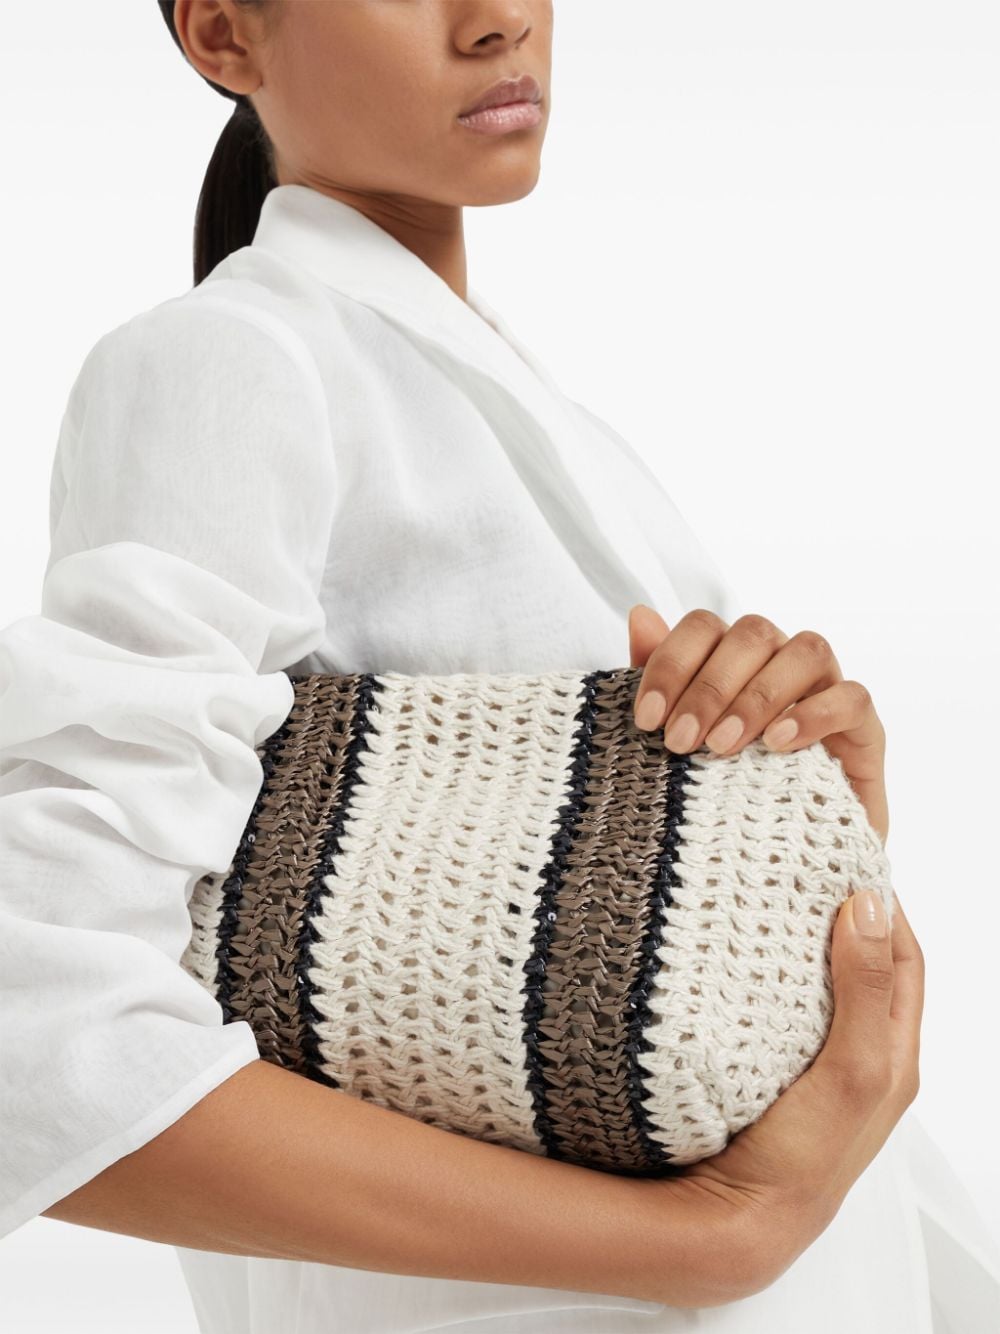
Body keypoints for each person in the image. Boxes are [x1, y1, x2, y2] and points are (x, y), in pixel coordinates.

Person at [1, 1, 998, 1330]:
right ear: (226, 35)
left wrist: (810, 808)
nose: (500, 19)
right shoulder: (231, 362)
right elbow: (37, 1034)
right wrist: (703, 1241)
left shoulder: (525, 408)